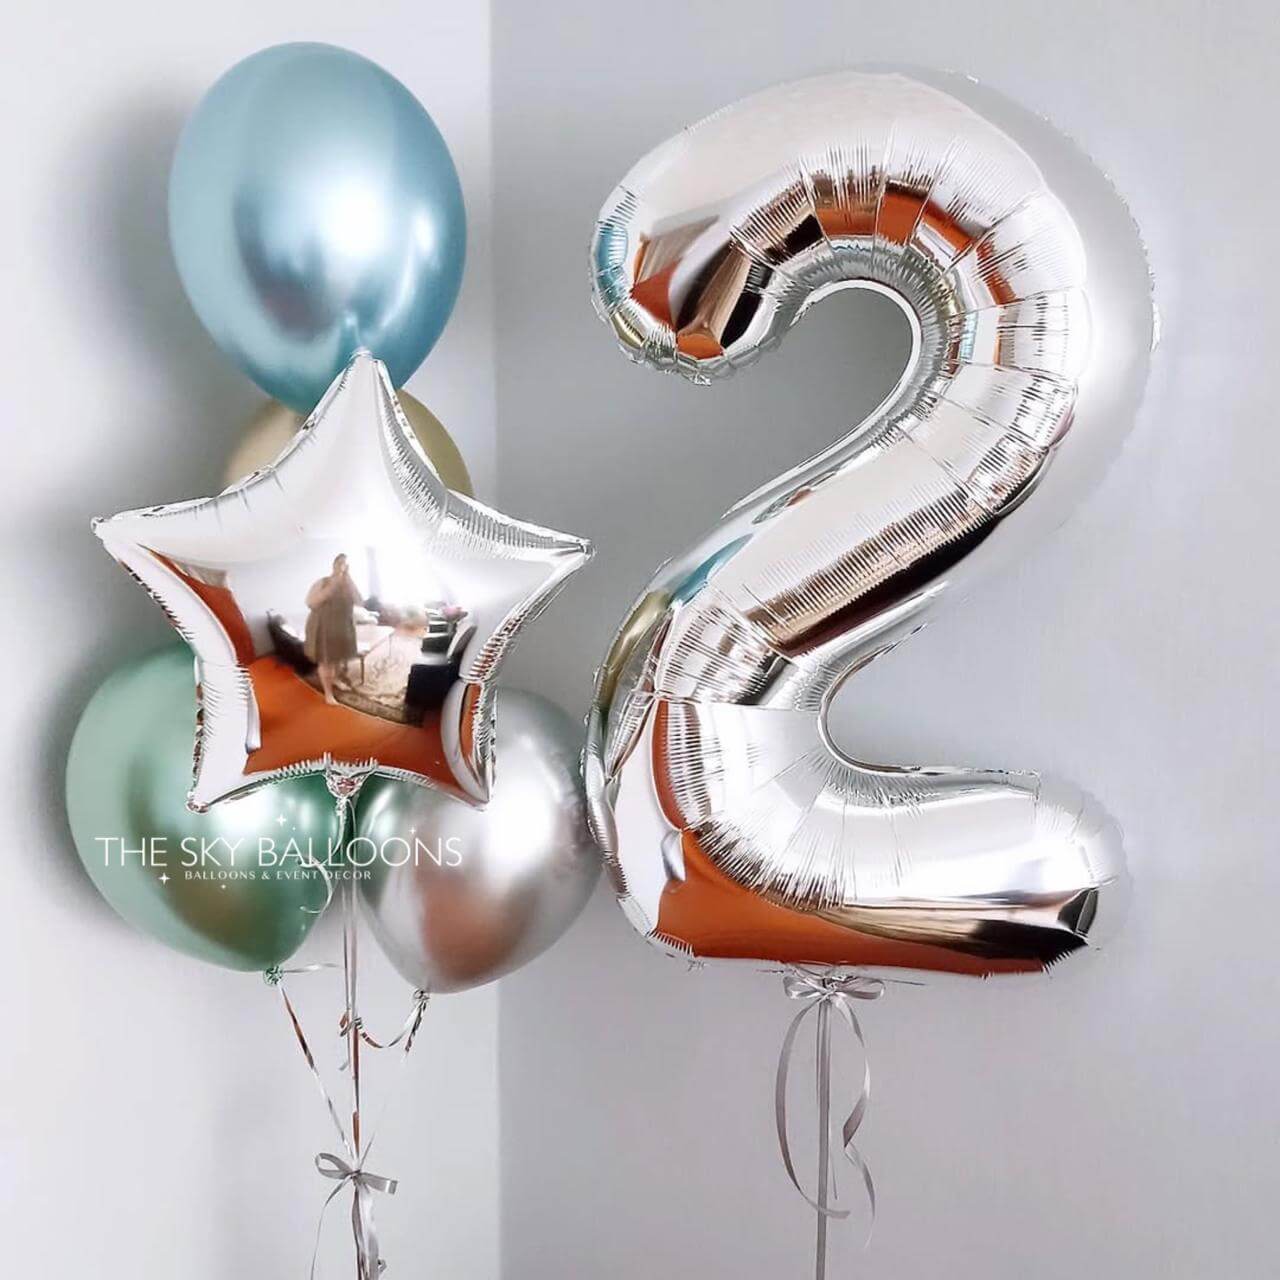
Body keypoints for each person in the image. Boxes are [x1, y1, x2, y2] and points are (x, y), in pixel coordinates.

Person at [303, 554, 362, 705]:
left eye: (346, 564)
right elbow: (311, 603)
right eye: (340, 563)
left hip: (342, 626)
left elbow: (359, 601)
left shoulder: (348, 585)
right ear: (334, 565)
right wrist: (334, 585)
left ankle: (335, 679)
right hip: (323, 627)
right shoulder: (323, 582)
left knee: (338, 657)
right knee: (326, 660)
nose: (343, 567)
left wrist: (348, 579)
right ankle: (328, 694)